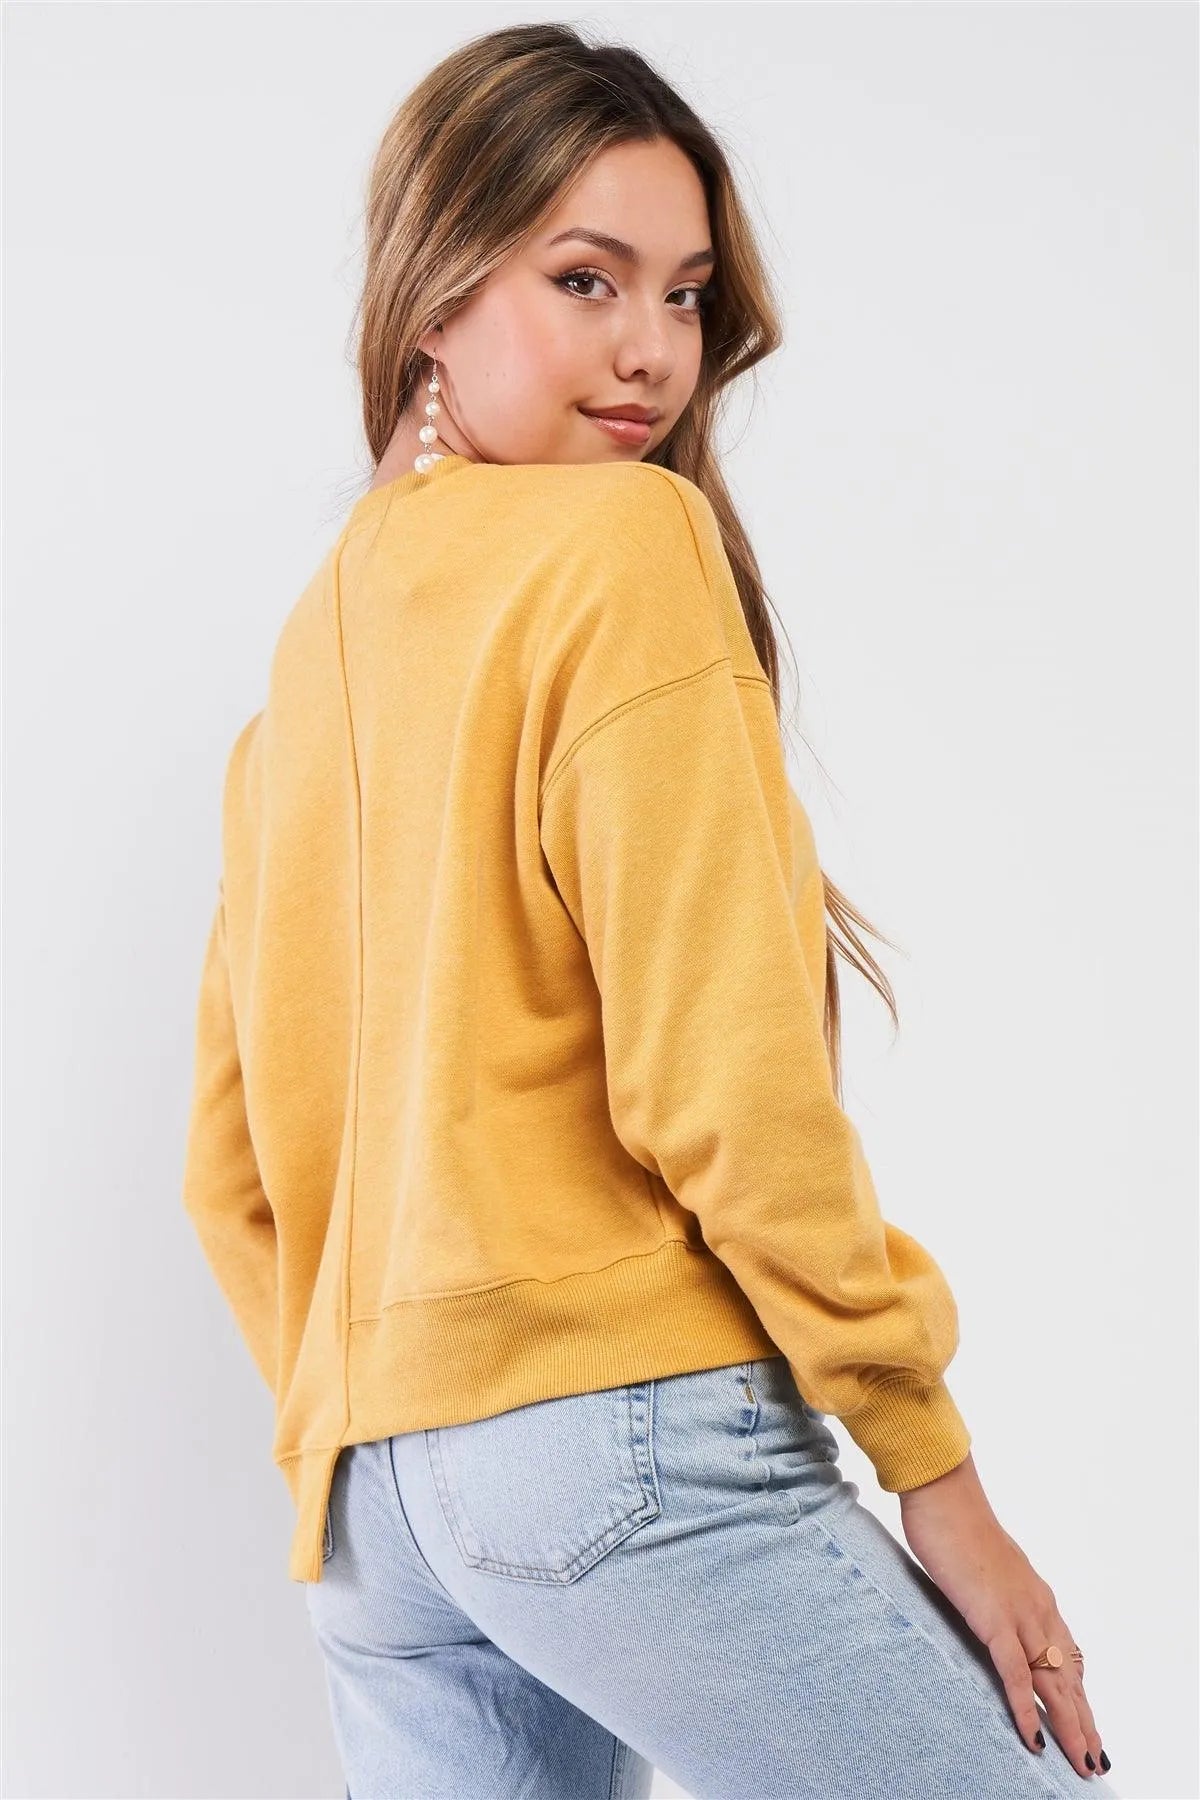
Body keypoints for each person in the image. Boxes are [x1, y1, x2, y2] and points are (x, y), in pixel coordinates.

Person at [180, 22, 1117, 1799]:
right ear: (434, 293)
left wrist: (379, 1413)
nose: (651, 351)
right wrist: (938, 1478)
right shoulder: (622, 544)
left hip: (375, 1523)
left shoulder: (303, 674)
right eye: (585, 278)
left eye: (684, 296)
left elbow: (230, 1170)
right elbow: (726, 1092)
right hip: (614, 1451)